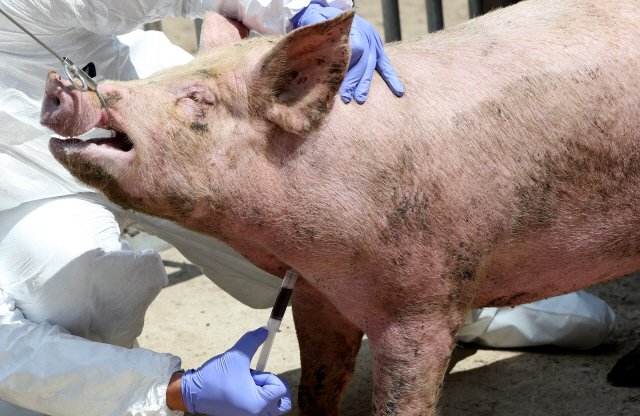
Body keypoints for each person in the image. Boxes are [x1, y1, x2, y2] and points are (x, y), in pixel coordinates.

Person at [0, 0, 402, 415]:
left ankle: (458, 309)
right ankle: (81, 400)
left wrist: (294, 7)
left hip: (150, 118)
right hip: (30, 196)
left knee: (310, 236)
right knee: (62, 279)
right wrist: (175, 391)